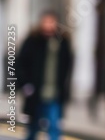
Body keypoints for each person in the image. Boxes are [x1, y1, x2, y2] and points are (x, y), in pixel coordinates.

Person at [17, 11, 73, 140]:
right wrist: (25, 85)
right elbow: (20, 64)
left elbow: (67, 68)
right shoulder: (32, 41)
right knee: (33, 128)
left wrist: (66, 90)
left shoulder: (62, 42)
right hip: (36, 93)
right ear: (41, 23)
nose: (49, 25)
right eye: (46, 22)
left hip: (54, 93)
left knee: (54, 127)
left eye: (52, 22)